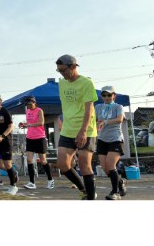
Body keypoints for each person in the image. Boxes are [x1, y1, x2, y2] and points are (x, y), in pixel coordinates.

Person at [55, 55, 99, 200]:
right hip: (68, 129)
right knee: (62, 164)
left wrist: (83, 130)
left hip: (86, 129)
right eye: (59, 70)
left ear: (73, 66)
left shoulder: (86, 83)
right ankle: (83, 190)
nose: (62, 73)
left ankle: (91, 199)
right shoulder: (62, 84)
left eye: (63, 70)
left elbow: (89, 109)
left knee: (84, 165)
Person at [95, 86, 127, 200]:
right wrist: (96, 124)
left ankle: (115, 192)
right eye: (104, 95)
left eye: (109, 95)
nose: (106, 97)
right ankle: (120, 182)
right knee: (105, 168)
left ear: (114, 95)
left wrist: (105, 122)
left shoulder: (118, 106)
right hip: (102, 139)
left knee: (110, 165)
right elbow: (93, 120)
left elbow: (120, 119)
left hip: (115, 138)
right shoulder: (98, 107)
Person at [22, 95, 54, 190]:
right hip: (30, 137)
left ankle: (50, 180)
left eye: (30, 104)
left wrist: (29, 125)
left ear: (34, 102)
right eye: (27, 104)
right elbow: (29, 123)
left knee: (43, 160)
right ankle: (32, 182)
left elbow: (41, 122)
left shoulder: (39, 110)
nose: (28, 106)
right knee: (29, 160)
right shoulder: (27, 111)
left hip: (40, 137)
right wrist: (24, 125)